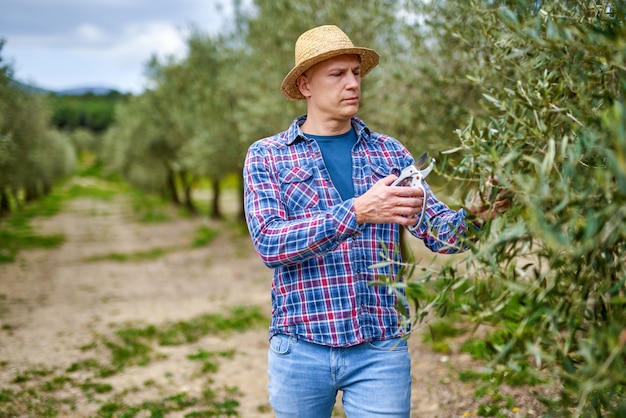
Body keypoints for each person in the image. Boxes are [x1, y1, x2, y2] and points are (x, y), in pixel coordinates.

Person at [243, 25, 508, 418]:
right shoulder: (268, 156)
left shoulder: (389, 153)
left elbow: (442, 235)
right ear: (305, 86)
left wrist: (477, 213)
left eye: (356, 73)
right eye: (337, 75)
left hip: (380, 348)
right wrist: (359, 211)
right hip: (300, 347)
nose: (352, 84)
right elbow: (270, 243)